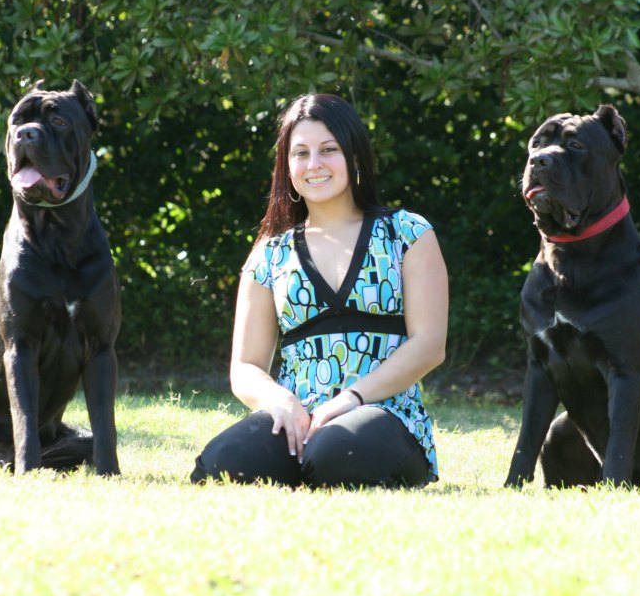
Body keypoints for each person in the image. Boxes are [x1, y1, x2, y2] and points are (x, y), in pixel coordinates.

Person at [190, 93, 448, 488]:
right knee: (222, 465)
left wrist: (351, 399)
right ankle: (301, 460)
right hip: (296, 420)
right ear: (286, 166)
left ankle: (326, 462)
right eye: (301, 153)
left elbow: (429, 344)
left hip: (385, 413)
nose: (314, 165)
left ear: (355, 156)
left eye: (329, 150)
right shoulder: (270, 254)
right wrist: (278, 401)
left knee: (335, 454)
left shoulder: (408, 233)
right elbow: (245, 367)